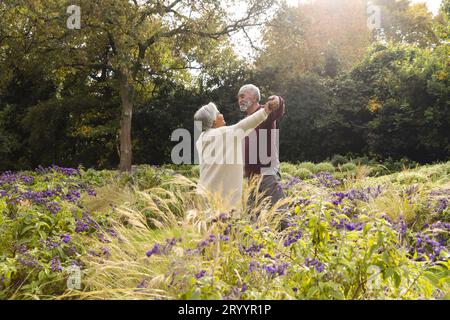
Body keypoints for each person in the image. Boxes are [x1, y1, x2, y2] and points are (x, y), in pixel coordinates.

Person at [194, 99, 279, 212]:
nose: (221, 114)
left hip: (204, 194)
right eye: (218, 113)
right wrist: (265, 111)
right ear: (214, 121)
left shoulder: (201, 139)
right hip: (222, 200)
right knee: (226, 227)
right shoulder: (224, 134)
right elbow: (245, 125)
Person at [237, 84, 286, 211]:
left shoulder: (265, 111)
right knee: (254, 218)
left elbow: (278, 108)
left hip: (267, 173)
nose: (240, 100)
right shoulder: (246, 120)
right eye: (238, 98)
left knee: (280, 214)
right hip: (251, 178)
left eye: (242, 96)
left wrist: (277, 99)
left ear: (254, 98)